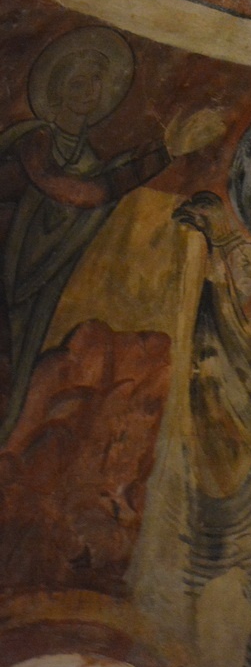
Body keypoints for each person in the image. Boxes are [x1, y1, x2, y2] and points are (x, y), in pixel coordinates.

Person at [0, 26, 224, 444]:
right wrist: (164, 154)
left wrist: (165, 150)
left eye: (96, 81)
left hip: (27, 289)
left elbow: (102, 183)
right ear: (58, 88)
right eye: (78, 81)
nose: (88, 91)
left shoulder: (86, 157)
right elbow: (81, 193)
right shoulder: (35, 139)